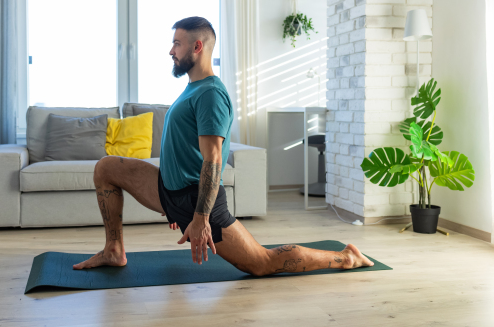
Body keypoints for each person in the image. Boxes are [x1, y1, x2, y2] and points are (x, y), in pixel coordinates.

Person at [73, 16, 374, 276]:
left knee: (262, 263)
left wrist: (200, 217)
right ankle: (113, 250)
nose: (170, 51)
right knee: (107, 167)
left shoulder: (211, 95)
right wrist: (174, 205)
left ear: (197, 47)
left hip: (197, 201)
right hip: (170, 192)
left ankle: (346, 258)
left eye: (177, 44)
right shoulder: (193, 88)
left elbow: (213, 159)